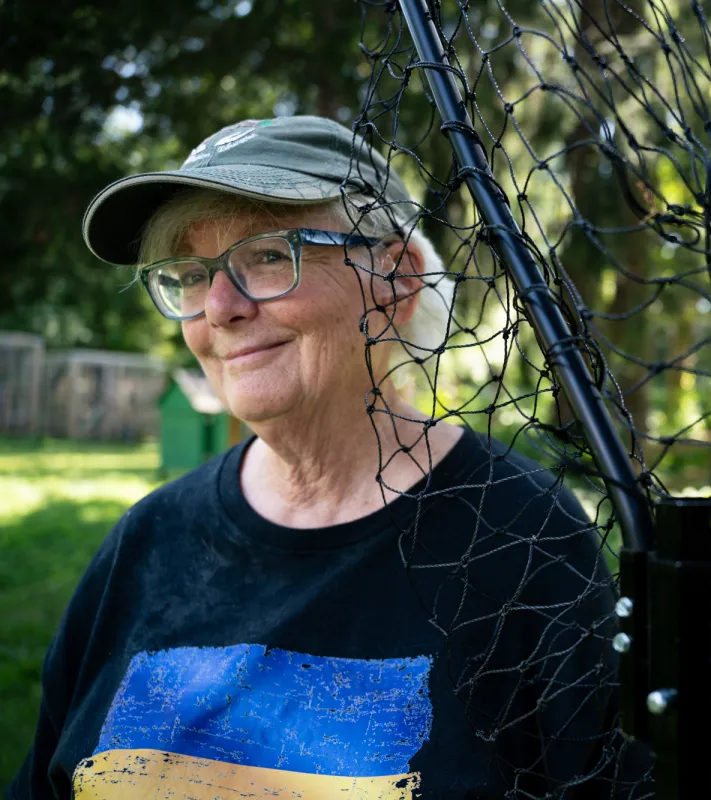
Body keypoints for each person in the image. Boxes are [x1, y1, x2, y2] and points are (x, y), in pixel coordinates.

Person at [6, 116, 647, 799]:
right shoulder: (145, 542)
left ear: (395, 280)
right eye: (190, 274)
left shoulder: (523, 536)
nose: (219, 307)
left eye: (269, 255)